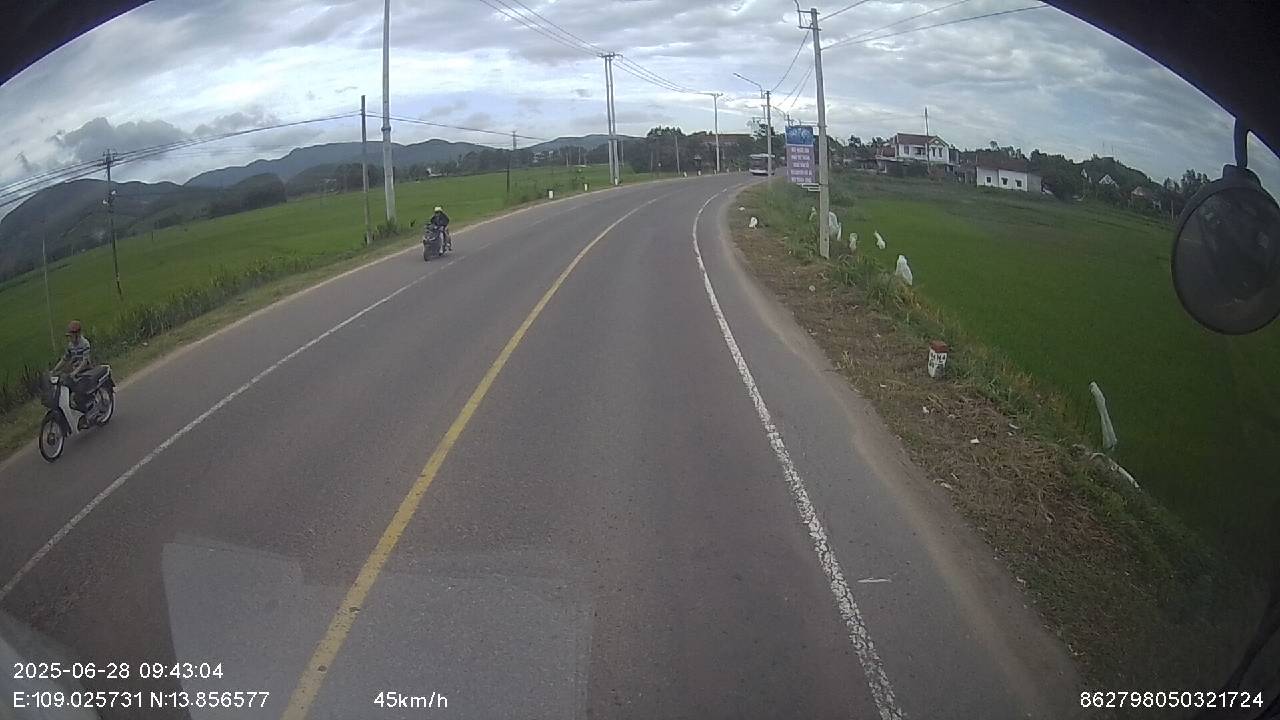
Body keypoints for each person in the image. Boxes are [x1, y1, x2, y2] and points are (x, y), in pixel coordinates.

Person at [51, 320, 94, 410]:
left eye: (71, 336)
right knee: (65, 387)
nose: (70, 338)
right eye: (69, 336)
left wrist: (75, 372)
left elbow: (85, 361)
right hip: (75, 371)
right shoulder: (71, 345)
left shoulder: (85, 344)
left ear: (77, 334)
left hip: (85, 371)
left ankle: (86, 409)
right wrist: (54, 370)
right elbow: (65, 358)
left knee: (79, 393)